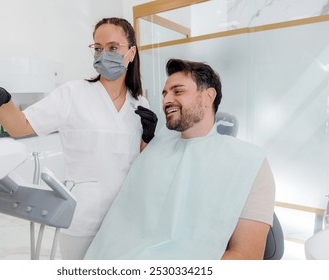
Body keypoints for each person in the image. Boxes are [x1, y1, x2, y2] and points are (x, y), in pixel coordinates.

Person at [0, 17, 158, 259]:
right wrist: (4, 101)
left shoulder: (140, 104)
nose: (104, 54)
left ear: (131, 53)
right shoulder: (73, 94)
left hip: (124, 216)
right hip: (82, 219)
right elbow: (21, 126)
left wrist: (148, 138)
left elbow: (140, 161)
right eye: (98, 48)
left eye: (112, 47)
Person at [84, 58, 275, 260]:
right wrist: (146, 144)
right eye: (165, 93)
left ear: (208, 96)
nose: (166, 100)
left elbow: (246, 256)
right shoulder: (157, 147)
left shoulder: (248, 161)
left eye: (178, 91)